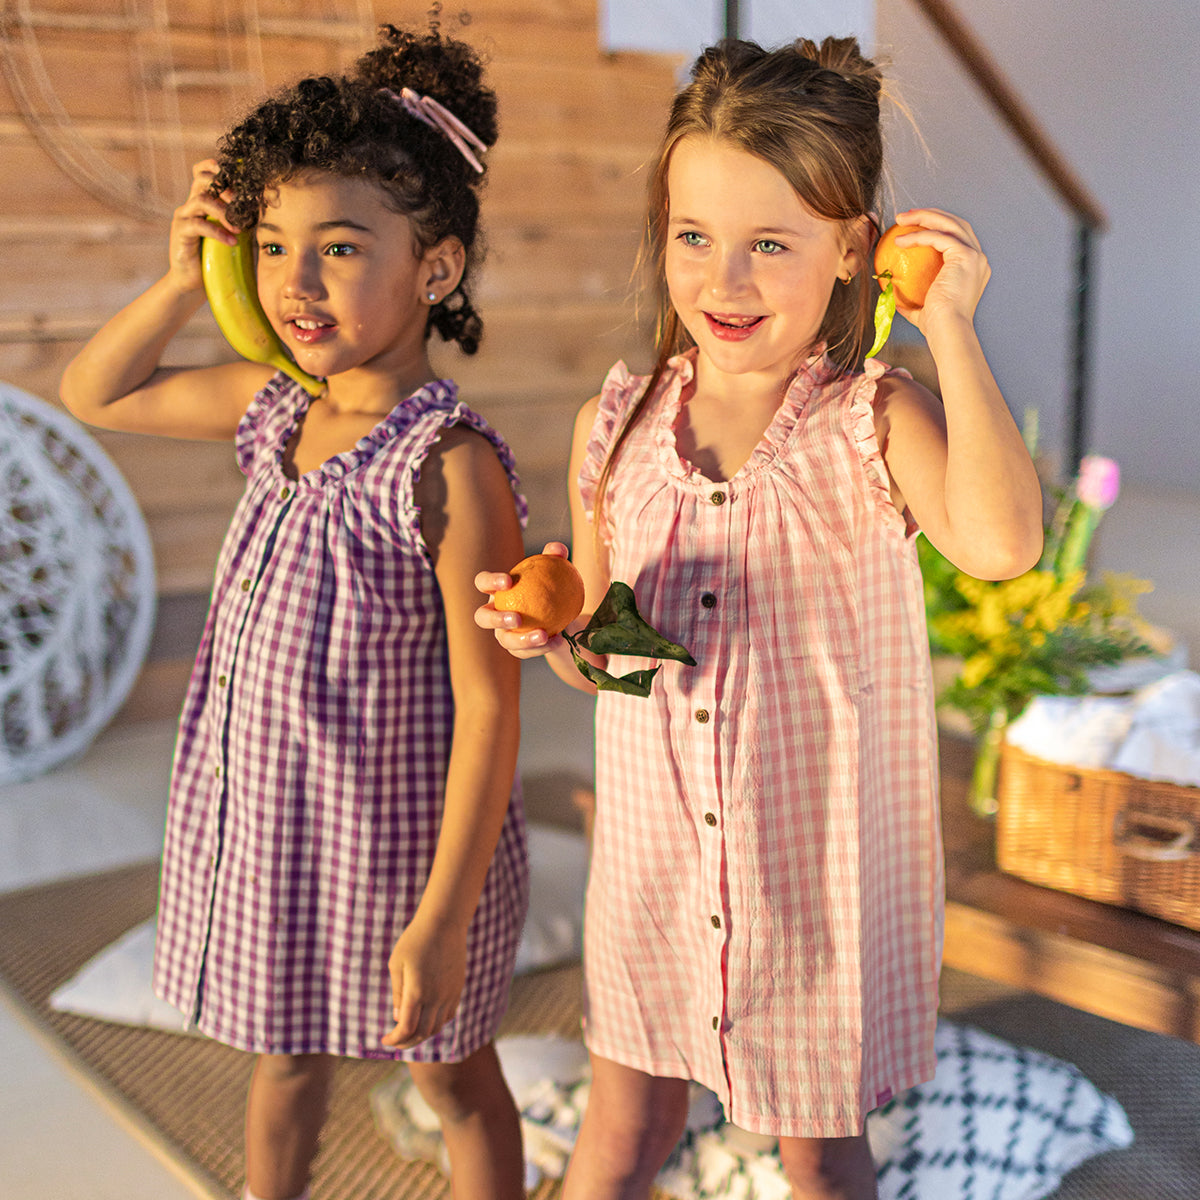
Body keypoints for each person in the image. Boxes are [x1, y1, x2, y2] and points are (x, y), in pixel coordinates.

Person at [476, 35, 1043, 1200]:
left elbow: (1001, 546)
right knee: (624, 1131)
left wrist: (953, 326)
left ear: (854, 252)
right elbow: (613, 657)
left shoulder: (872, 422)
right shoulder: (616, 426)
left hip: (813, 885)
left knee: (823, 1163)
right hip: (658, 869)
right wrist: (559, 636)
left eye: (769, 245)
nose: (723, 282)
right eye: (695, 238)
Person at [61, 23, 530, 1200]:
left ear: (436, 267)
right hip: (271, 835)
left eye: (337, 248)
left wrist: (441, 918)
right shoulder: (272, 408)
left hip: (397, 851)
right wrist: (183, 277)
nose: (294, 283)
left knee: (452, 1079)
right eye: (273, 247)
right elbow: (94, 389)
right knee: (281, 1064)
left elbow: (489, 716)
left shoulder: (446, 466)